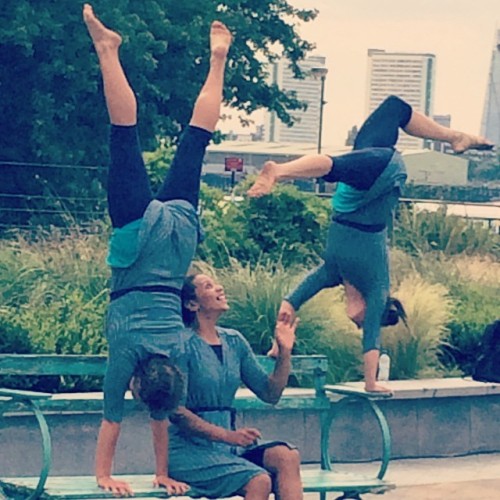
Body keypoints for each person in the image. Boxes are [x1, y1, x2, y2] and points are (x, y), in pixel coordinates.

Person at [248, 95, 494, 394]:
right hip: (382, 174)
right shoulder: (377, 286)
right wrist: (370, 382)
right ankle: (279, 171)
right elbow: (372, 340)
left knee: (395, 108)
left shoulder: (332, 272)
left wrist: (278, 343)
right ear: (371, 310)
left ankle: (455, 137)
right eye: (362, 323)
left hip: (359, 186)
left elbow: (290, 301)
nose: (357, 324)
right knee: (332, 165)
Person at [83, 4, 232, 496]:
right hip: (139, 241)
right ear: (139, 385)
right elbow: (116, 421)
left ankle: (218, 60)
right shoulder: (127, 353)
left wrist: (164, 472)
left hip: (178, 246)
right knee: (123, 138)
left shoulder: (177, 349)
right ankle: (108, 51)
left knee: (196, 141)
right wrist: (105, 476)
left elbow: (163, 417)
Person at [166, 273, 302, 500]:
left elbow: (270, 393)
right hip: (189, 450)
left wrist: (284, 352)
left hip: (230, 449)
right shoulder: (181, 345)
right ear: (192, 304)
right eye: (209, 286)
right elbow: (176, 412)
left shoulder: (235, 341)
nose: (219, 288)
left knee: (287, 456)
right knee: (259, 480)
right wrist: (227, 436)